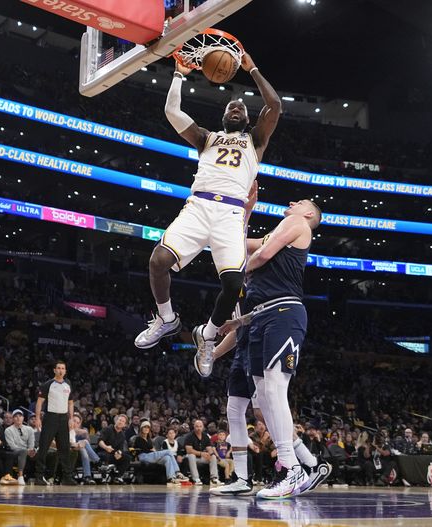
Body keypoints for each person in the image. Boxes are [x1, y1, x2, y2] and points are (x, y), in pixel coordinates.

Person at [134, 49, 282, 367]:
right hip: (199, 207)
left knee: (233, 285)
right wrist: (177, 74)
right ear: (223, 116)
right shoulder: (206, 138)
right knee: (158, 260)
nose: (236, 108)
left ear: (245, 118)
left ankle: (208, 333)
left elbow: (275, 106)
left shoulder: (256, 140)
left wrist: (252, 67)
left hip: (230, 213)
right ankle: (167, 319)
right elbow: (172, 111)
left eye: (241, 107)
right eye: (231, 106)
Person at [217, 199, 322, 499]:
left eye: (299, 202)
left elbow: (261, 254)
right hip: (261, 316)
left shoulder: (297, 223)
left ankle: (291, 468)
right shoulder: (279, 230)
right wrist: (244, 208)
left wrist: (234, 274)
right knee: (262, 396)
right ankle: (292, 467)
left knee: (275, 390)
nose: (292, 203)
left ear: (309, 213)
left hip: (283, 312)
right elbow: (241, 242)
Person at [34, 361, 76, 485]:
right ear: (54, 370)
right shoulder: (48, 384)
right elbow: (39, 402)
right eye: (58, 368)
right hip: (50, 418)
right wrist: (37, 418)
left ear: (65, 371)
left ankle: (67, 477)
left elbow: (71, 403)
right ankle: (39, 477)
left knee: (65, 449)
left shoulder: (68, 384)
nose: (60, 370)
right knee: (44, 447)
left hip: (63, 419)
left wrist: (71, 418)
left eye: (63, 368)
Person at [130, 420, 188, 485]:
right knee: (168, 451)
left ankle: (171, 478)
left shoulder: (149, 439)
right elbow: (144, 450)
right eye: (144, 427)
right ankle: (177, 472)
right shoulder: (138, 438)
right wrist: (151, 449)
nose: (146, 429)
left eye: (148, 427)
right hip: (143, 456)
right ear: (141, 428)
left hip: (151, 456)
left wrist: (151, 450)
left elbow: (149, 449)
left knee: (167, 458)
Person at [183, 419, 221, 485]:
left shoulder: (205, 436)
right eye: (197, 426)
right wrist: (201, 453)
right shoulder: (189, 436)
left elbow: (209, 448)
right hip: (189, 457)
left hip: (201, 458)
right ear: (194, 427)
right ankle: (196, 479)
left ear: (203, 427)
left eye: (200, 426)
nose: (199, 428)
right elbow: (189, 450)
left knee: (213, 457)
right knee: (191, 455)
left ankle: (214, 478)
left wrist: (211, 454)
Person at [3, 410, 35, 486]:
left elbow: (31, 443)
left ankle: (43, 477)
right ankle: (20, 476)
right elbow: (12, 446)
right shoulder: (8, 430)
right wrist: (26, 451)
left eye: (20, 416)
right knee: (23, 451)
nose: (18, 418)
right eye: (16, 416)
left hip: (27, 450)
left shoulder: (29, 429)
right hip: (15, 452)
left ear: (23, 418)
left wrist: (31, 450)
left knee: (41, 453)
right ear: (13, 419)